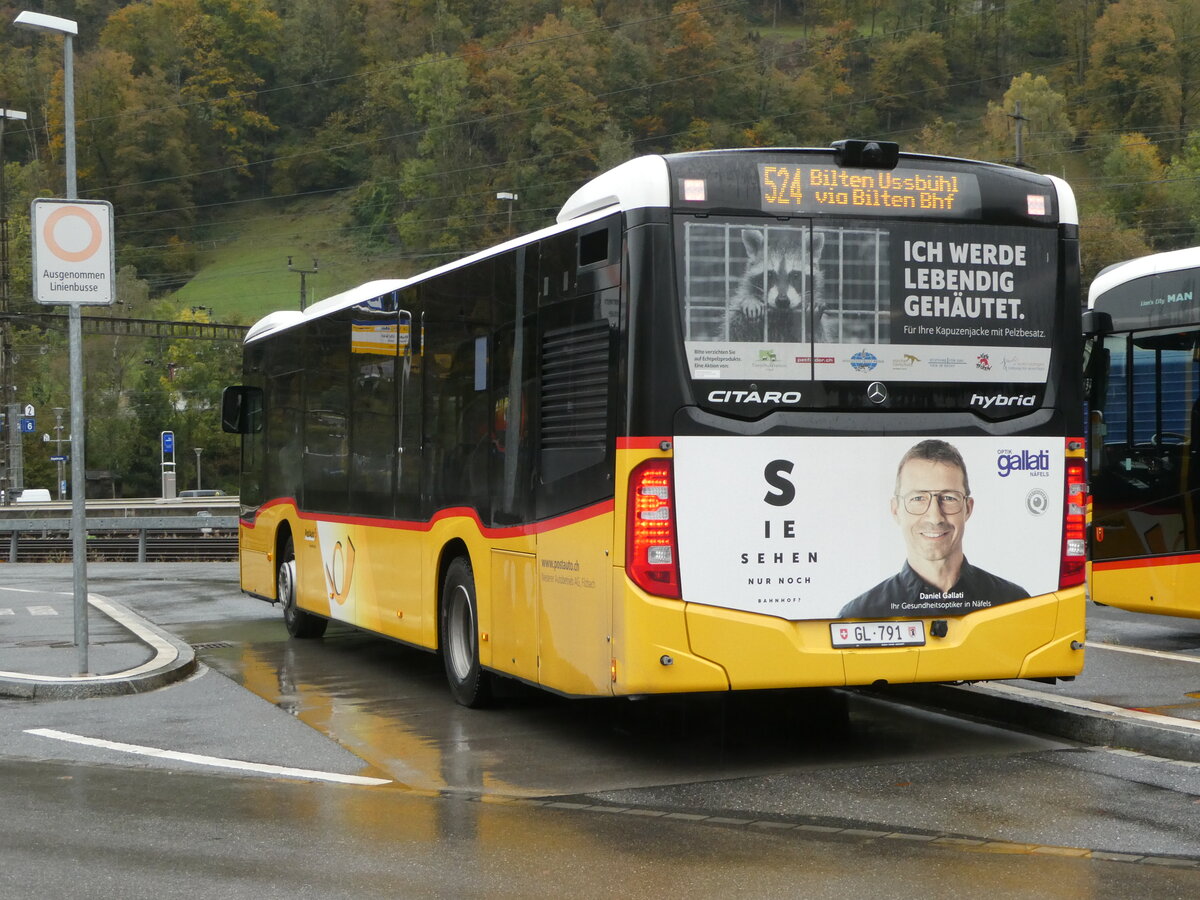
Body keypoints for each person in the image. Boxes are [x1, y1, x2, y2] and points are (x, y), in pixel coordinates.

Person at [839, 439, 1027, 619]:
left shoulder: (1014, 605)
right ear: (896, 510)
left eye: (948, 498)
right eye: (918, 498)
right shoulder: (858, 617)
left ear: (968, 508)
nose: (935, 517)